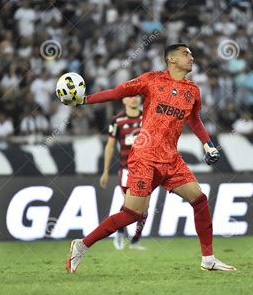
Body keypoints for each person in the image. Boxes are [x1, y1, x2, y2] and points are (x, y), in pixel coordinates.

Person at [65, 43, 236, 272]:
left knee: (199, 199)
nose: (192, 58)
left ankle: (208, 259)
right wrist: (85, 100)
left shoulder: (192, 90)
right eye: (186, 54)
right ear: (171, 60)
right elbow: (118, 92)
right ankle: (81, 246)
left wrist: (208, 144)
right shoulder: (151, 80)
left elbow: (194, 120)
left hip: (171, 159)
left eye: (192, 54)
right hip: (145, 157)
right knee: (132, 214)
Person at [99, 95, 147, 250]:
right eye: (129, 96)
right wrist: (105, 171)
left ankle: (135, 241)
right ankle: (120, 231)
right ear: (123, 100)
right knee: (130, 205)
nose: (133, 99)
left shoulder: (147, 117)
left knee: (144, 208)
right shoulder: (117, 120)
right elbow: (110, 146)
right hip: (127, 169)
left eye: (136, 96)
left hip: (147, 169)